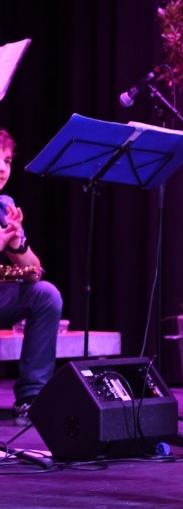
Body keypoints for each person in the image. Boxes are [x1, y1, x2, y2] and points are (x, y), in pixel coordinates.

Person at [0, 129, 65, 427]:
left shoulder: (5, 206)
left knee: (45, 294)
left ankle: (31, 398)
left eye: (7, 161)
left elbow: (33, 270)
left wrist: (15, 244)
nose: (3, 168)